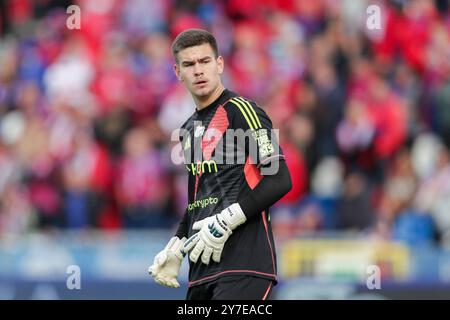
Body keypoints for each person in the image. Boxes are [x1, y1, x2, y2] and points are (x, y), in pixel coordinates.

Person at [148, 29, 292, 300]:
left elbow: (280, 179)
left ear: (220, 64)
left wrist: (229, 219)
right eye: (189, 65)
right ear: (177, 72)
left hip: (245, 266)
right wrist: (178, 242)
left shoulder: (243, 110)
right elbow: (197, 200)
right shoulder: (188, 129)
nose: (198, 71)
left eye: (205, 61)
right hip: (202, 270)